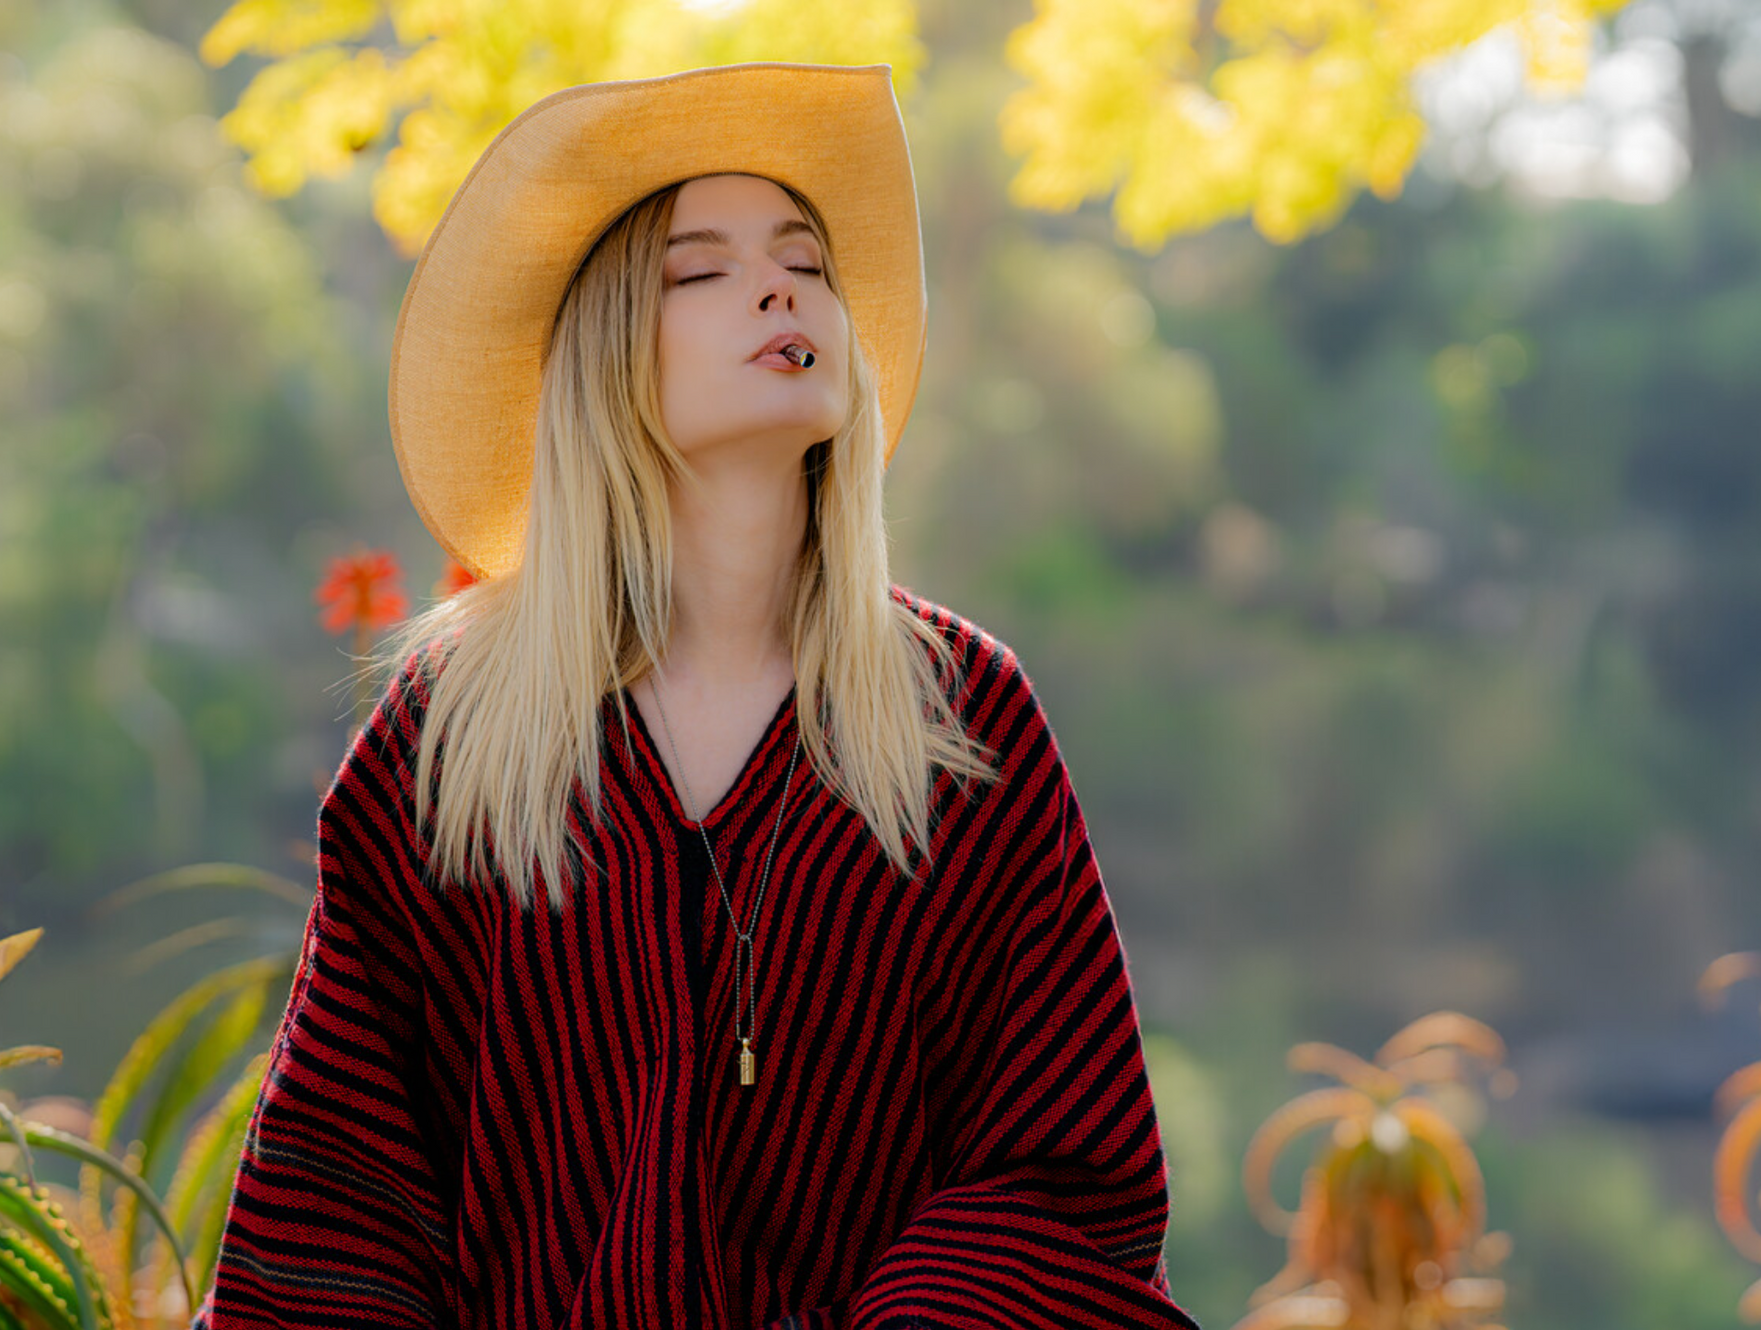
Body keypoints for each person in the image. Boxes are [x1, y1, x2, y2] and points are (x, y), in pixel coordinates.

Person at [192, 63, 1200, 1330]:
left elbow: (1065, 1171)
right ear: (606, 350)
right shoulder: (452, 733)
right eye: (702, 269)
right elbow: (342, 1191)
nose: (782, 287)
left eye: (806, 261)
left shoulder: (960, 719)